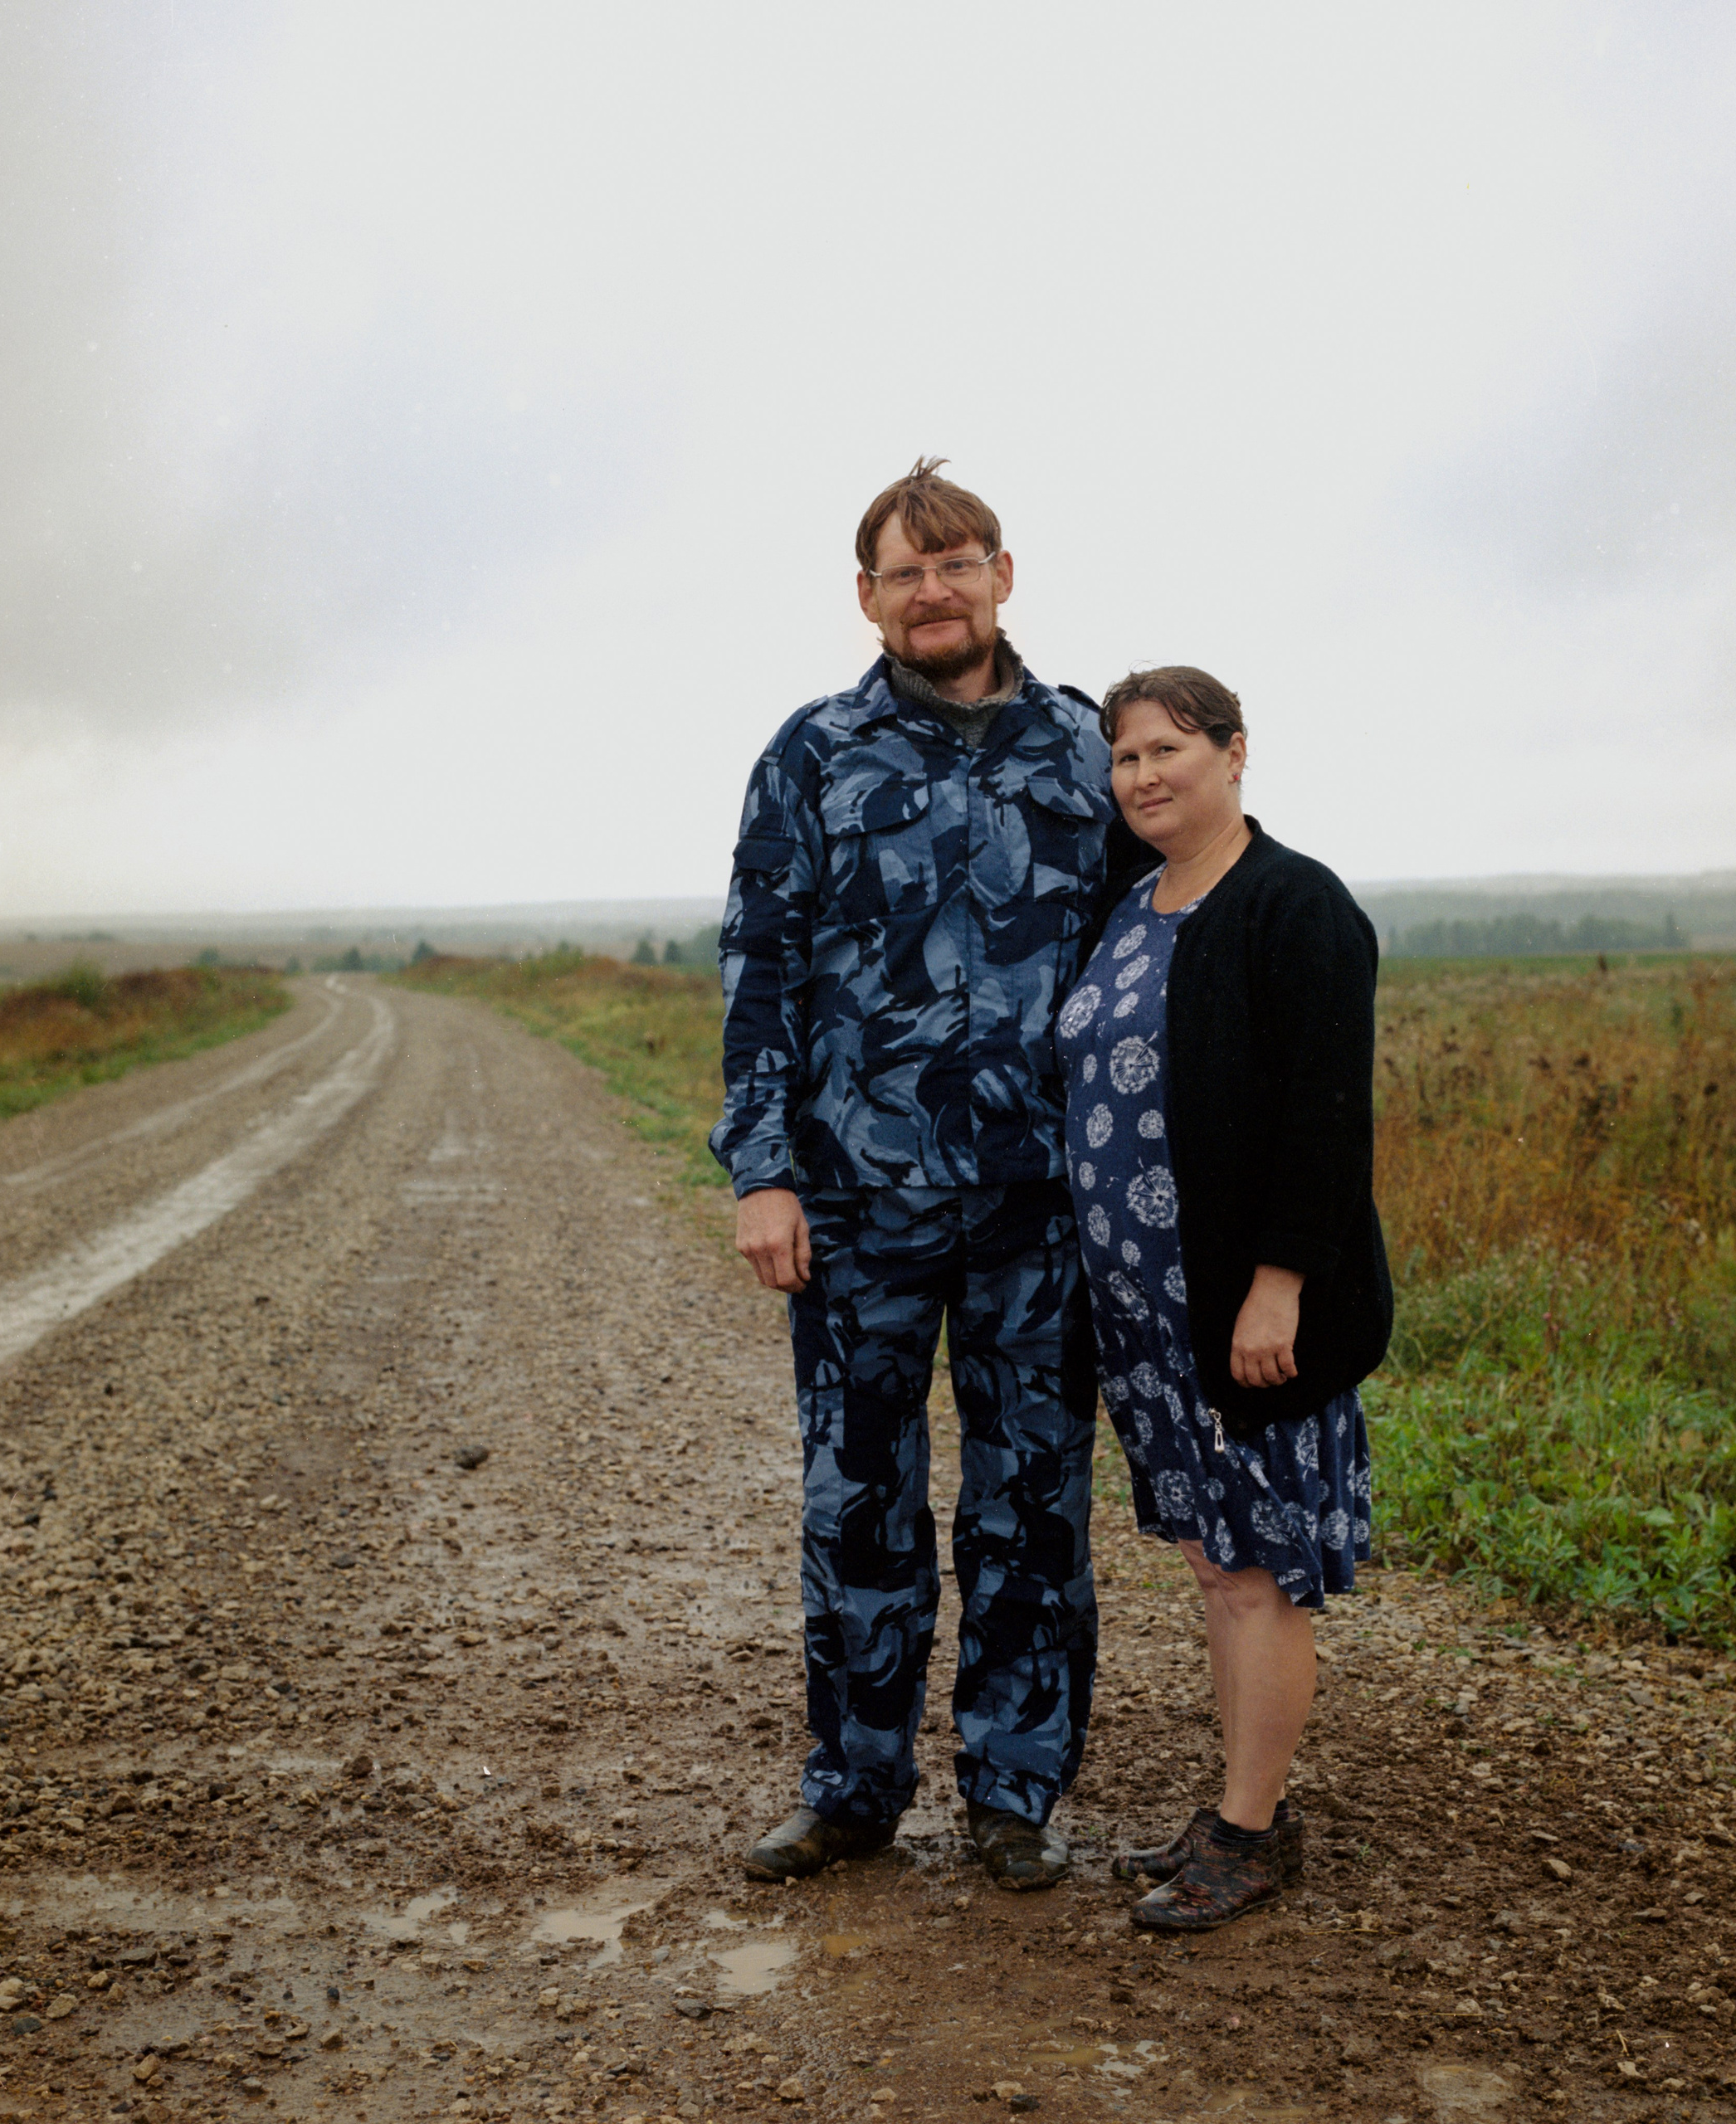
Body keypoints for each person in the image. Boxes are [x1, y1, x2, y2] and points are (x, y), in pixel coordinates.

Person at [711, 458, 1129, 1891]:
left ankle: (1016, 1794)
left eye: (956, 565)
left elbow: (1151, 962)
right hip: (854, 1205)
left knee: (1034, 1508)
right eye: (904, 571)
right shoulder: (815, 753)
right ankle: (852, 1786)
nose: (932, 591)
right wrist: (762, 1168)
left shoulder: (1090, 752)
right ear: (868, 597)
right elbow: (759, 968)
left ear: (1003, 576)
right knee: (859, 1504)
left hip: (1041, 1213)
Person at [1056, 665, 1392, 1932]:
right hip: (1148, 1320)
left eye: (1169, 751)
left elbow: (1328, 1120)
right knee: (1216, 1566)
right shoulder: (1130, 904)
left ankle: (1253, 1832)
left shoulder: (1293, 907)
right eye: (1126, 758)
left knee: (1257, 1574)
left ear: (1235, 753)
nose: (1143, 776)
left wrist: (1279, 1288)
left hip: (1247, 1317)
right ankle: (1240, 1811)